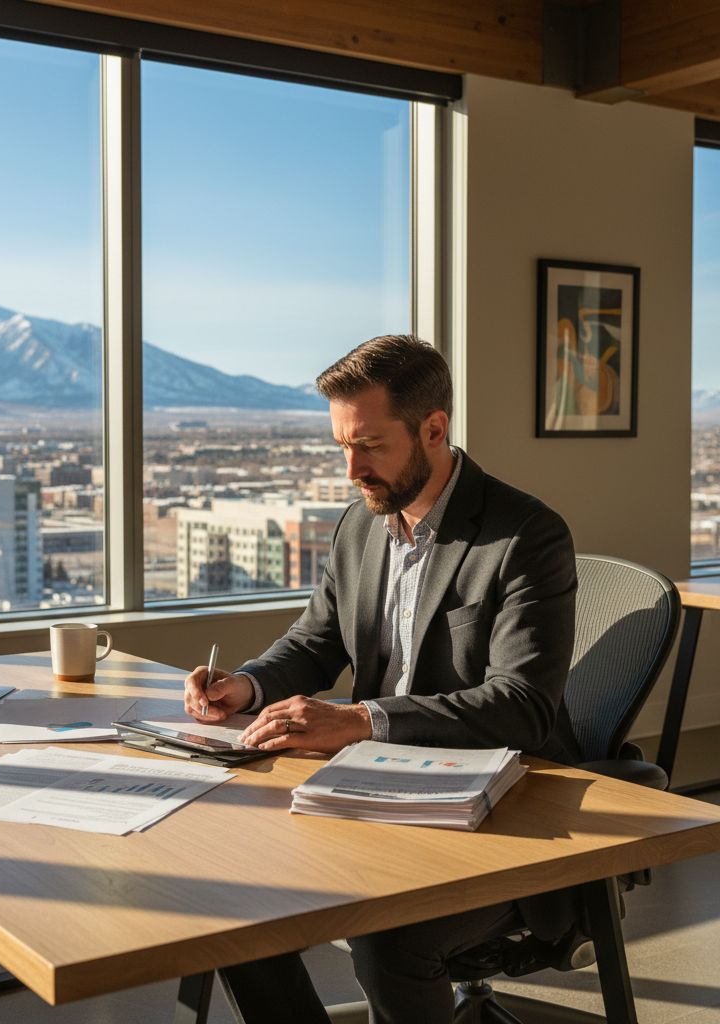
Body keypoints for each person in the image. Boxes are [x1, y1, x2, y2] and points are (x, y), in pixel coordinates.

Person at [182, 334, 580, 1024]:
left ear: (434, 429)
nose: (351, 469)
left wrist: (360, 721)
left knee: (391, 939)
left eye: (369, 445)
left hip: (499, 810)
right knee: (231, 894)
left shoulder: (524, 536)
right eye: (342, 446)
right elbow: (316, 641)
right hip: (377, 788)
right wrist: (244, 687)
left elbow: (522, 706)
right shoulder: (360, 527)